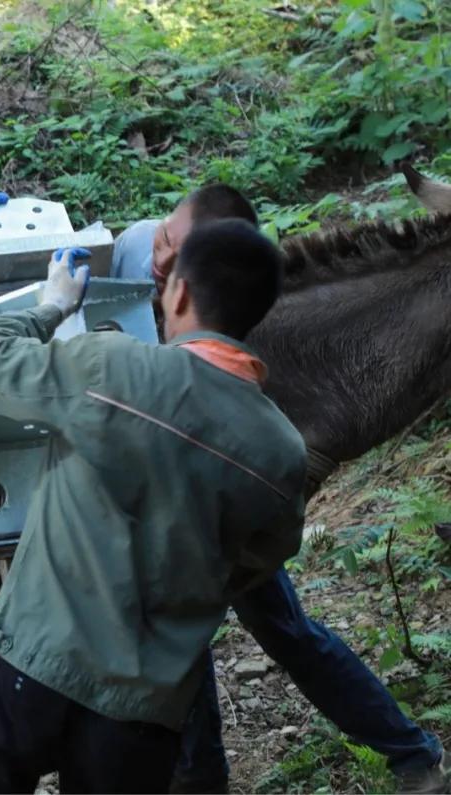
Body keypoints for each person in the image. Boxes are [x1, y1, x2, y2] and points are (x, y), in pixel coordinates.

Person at [0, 220, 308, 793]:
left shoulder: (113, 369)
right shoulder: (281, 450)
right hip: (146, 702)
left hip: (32, 658)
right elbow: (258, 559)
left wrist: (49, 306)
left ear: (177, 293)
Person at [110, 185, 449, 794]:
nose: (164, 263)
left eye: (180, 257)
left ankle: (413, 756)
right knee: (228, 633)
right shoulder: (130, 254)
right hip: (168, 495)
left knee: (263, 630)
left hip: (217, 494)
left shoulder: (229, 305)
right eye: (163, 241)